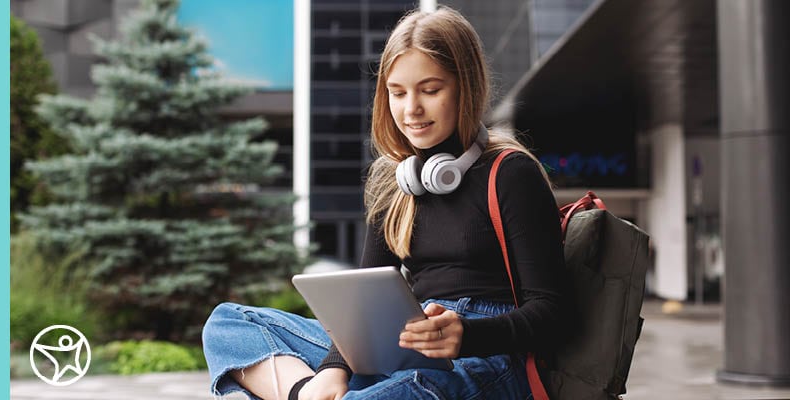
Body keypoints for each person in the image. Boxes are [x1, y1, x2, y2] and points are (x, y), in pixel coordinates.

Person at [202, 6, 569, 400]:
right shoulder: (393, 181)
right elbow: (361, 307)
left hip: (489, 358)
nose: (411, 109)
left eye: (430, 90)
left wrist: (466, 335)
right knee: (229, 325)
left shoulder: (511, 173)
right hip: (402, 338)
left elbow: (552, 314)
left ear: (467, 86)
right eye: (397, 92)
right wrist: (332, 370)